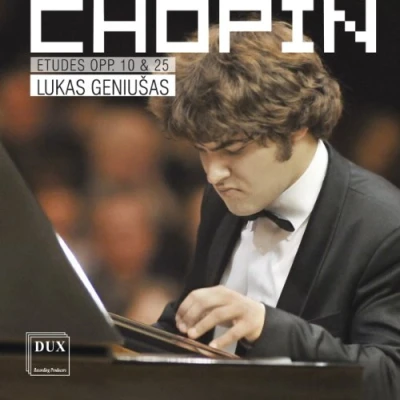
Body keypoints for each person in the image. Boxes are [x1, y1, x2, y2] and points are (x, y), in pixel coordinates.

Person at [148, 20, 400, 400]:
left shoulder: (386, 229)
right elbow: (192, 324)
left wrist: (266, 327)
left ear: (296, 125)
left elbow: (390, 377)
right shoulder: (222, 195)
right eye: (202, 150)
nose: (213, 174)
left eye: (233, 149)